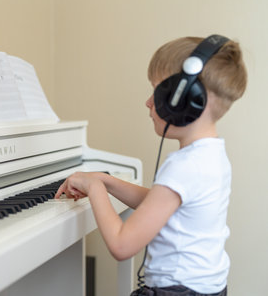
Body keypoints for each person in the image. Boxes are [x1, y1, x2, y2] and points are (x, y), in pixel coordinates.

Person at [55, 35, 247, 296]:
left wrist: (96, 188)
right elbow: (160, 203)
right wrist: (107, 180)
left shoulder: (184, 165)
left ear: (182, 100)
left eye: (156, 91)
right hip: (207, 289)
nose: (148, 102)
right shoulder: (211, 154)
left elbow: (122, 245)